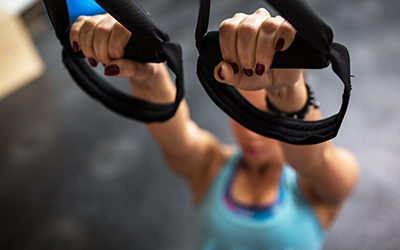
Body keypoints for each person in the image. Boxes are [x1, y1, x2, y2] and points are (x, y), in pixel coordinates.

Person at [69, 8, 359, 250]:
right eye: (244, 116)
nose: (252, 133)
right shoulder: (210, 165)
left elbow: (314, 160)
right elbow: (176, 136)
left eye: (266, 118)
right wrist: (148, 74)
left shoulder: (319, 184)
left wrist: (287, 91)